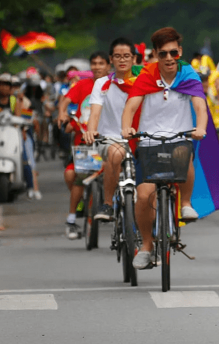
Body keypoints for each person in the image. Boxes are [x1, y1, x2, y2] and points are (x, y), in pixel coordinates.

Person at [121, 27, 207, 269]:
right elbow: (130, 106)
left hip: (180, 137)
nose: (169, 58)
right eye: (163, 54)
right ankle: (147, 246)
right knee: (144, 195)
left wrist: (200, 127)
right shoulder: (147, 75)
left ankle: (186, 204)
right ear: (156, 55)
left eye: (173, 53)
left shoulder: (188, 73)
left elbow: (200, 106)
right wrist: (126, 128)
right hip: (149, 141)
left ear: (179, 52)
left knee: (185, 155)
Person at [84, 38, 138, 221]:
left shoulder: (143, 83)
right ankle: (107, 204)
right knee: (115, 154)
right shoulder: (102, 83)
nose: (122, 60)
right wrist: (91, 130)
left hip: (139, 138)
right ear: (111, 60)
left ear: (134, 59)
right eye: (117, 56)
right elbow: (95, 114)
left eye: (126, 56)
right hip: (111, 139)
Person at [58, 52, 110, 239]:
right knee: (74, 175)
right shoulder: (82, 85)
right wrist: (62, 114)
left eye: (101, 63)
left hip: (111, 141)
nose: (97, 67)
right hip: (86, 143)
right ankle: (72, 219)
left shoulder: (115, 85)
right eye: (93, 63)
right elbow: (65, 101)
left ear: (108, 65)